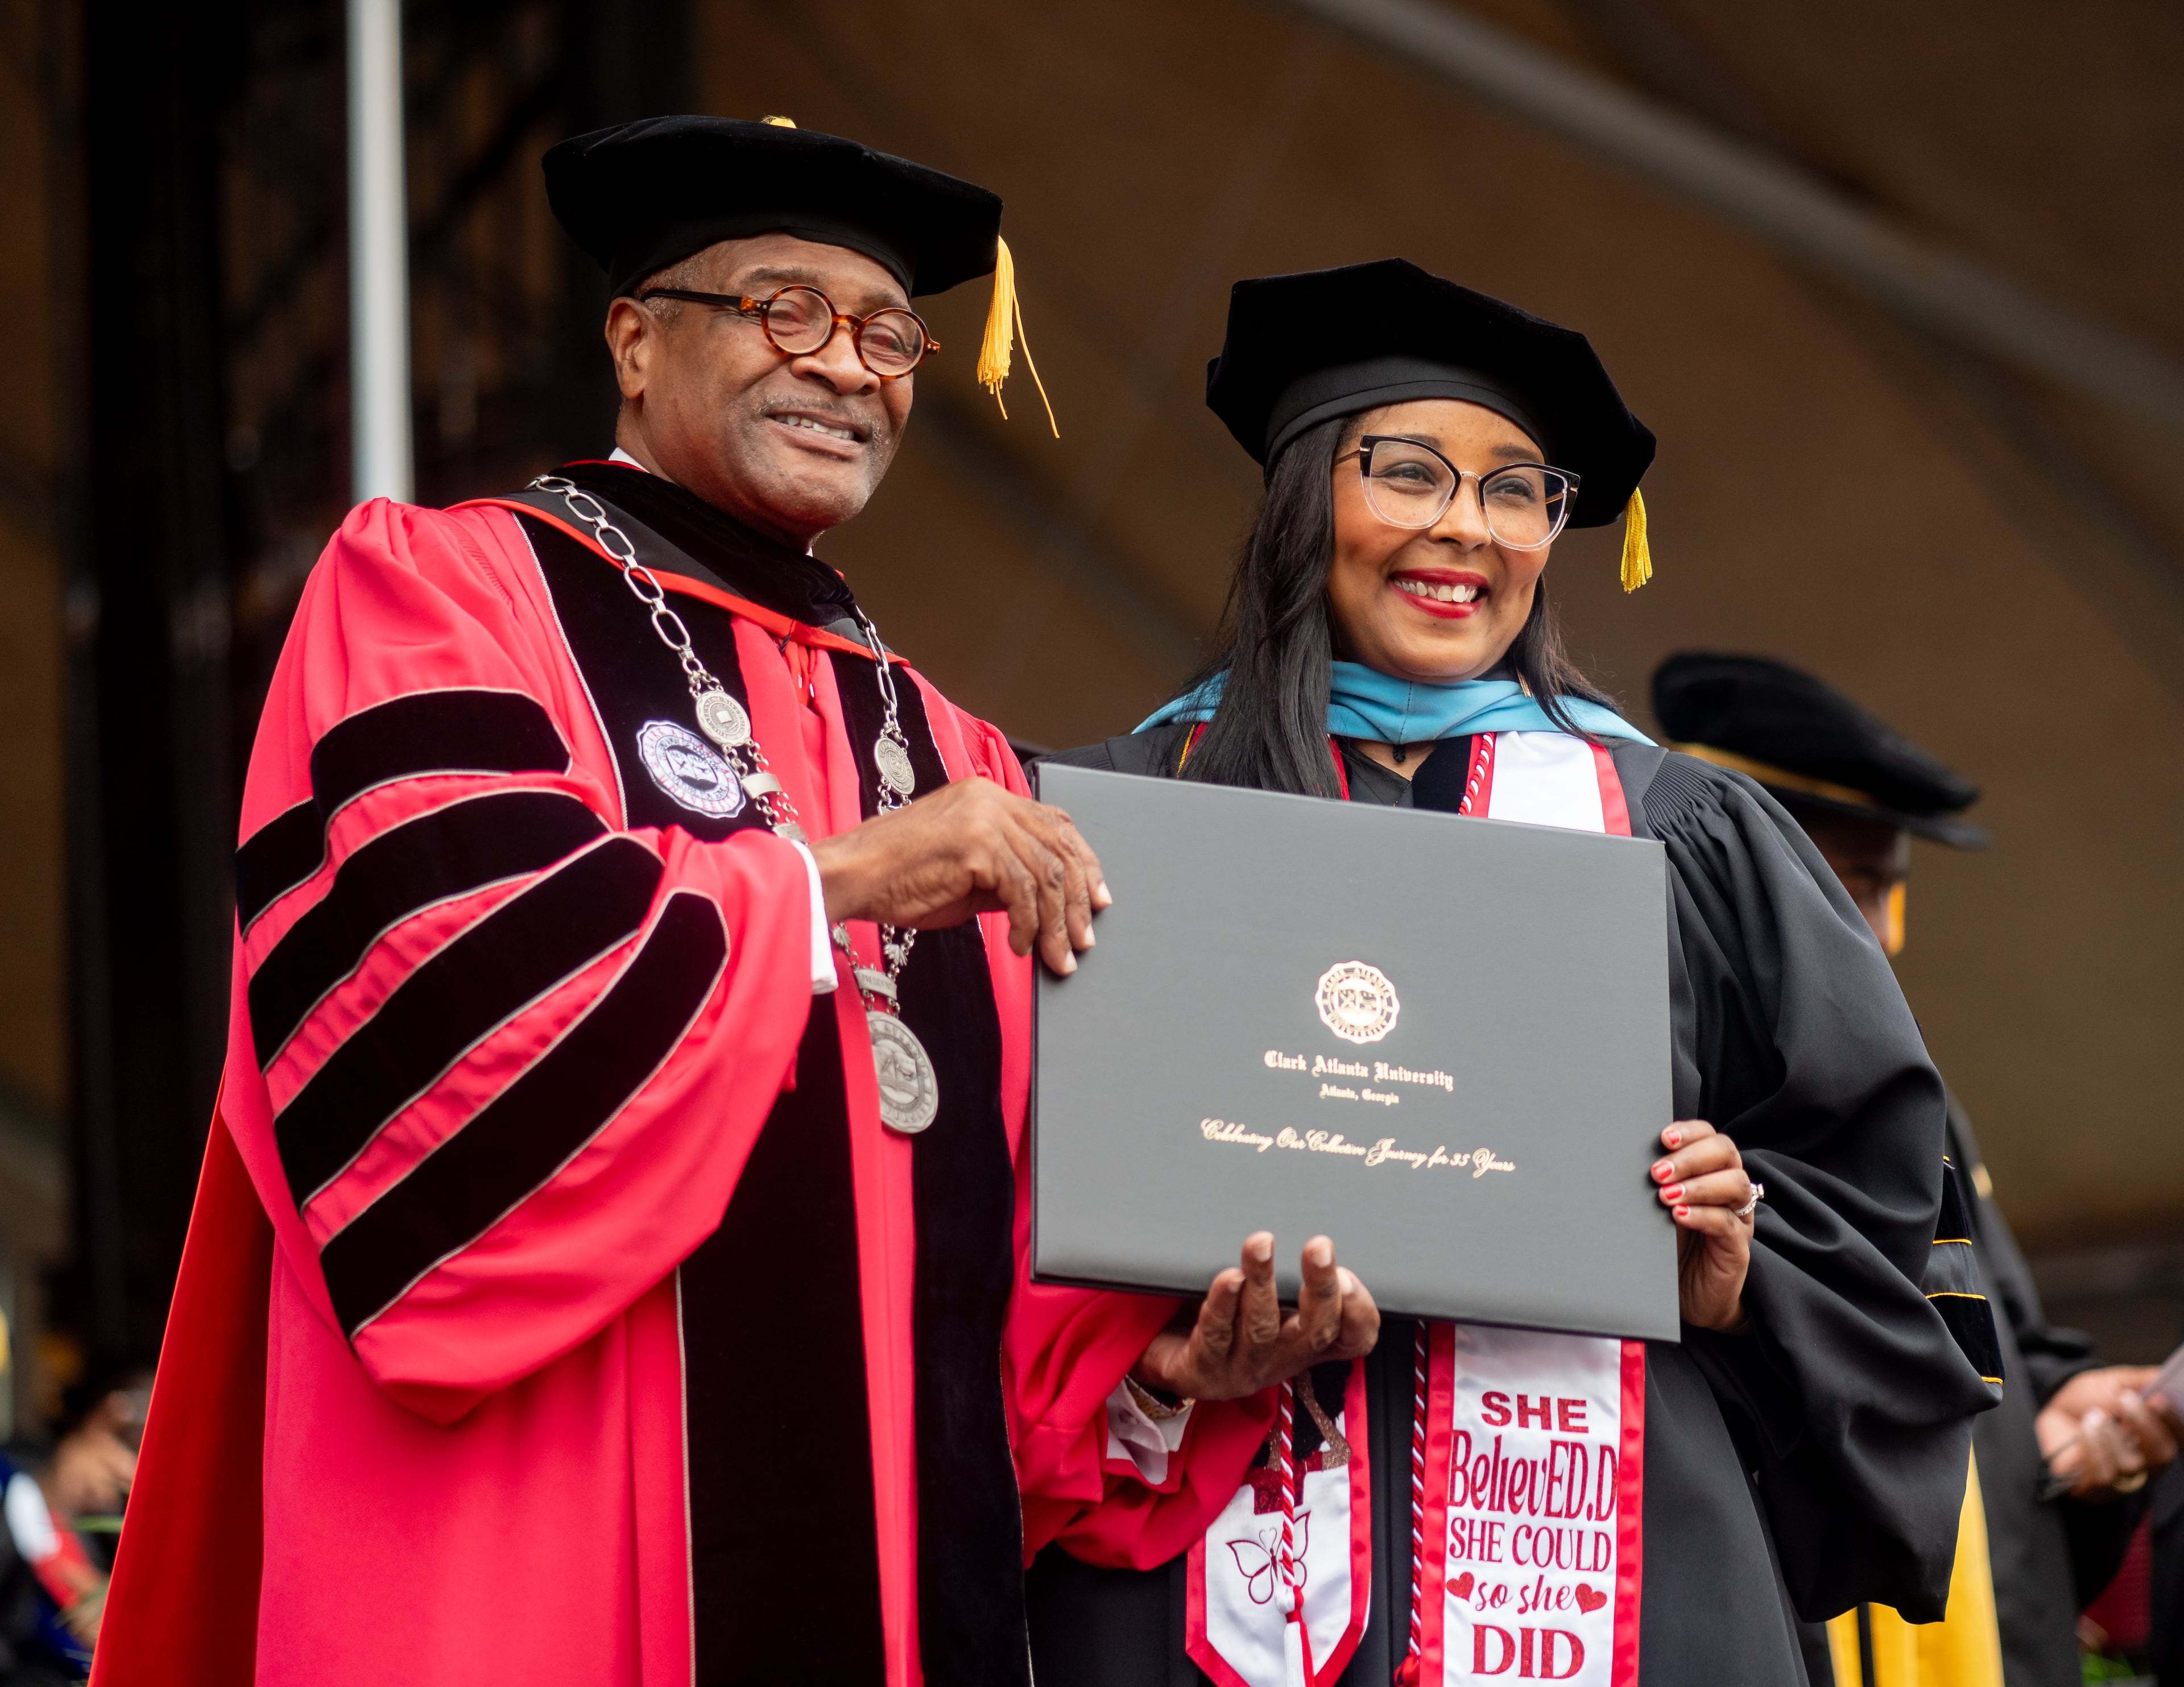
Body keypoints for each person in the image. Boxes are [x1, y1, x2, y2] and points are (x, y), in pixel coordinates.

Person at [89, 116, 1378, 1687]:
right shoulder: (449, 594)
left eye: (889, 332)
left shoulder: (952, 749)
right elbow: (433, 990)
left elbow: (1001, 1275)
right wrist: (831, 884)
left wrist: (1164, 1370)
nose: (847, 366)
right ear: (635, 338)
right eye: (785, 309)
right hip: (540, 1569)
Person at [1022, 258, 2000, 1686]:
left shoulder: (1688, 834)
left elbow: (1894, 1223)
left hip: (1626, 1582)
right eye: (1408, 472)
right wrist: (1164, 1355)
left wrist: (1742, 1267)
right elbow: (968, 1223)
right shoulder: (1109, 817)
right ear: (1307, 497)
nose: (1464, 530)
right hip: (1187, 1568)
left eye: (1516, 489)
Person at [1655, 652, 2182, 1687]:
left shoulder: (1909, 1108)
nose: (1885, 934)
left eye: (1895, 889)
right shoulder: (1668, 1098)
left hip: (1979, 1627)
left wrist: (2060, 1411)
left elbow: (1998, 1340)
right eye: (1855, 888)